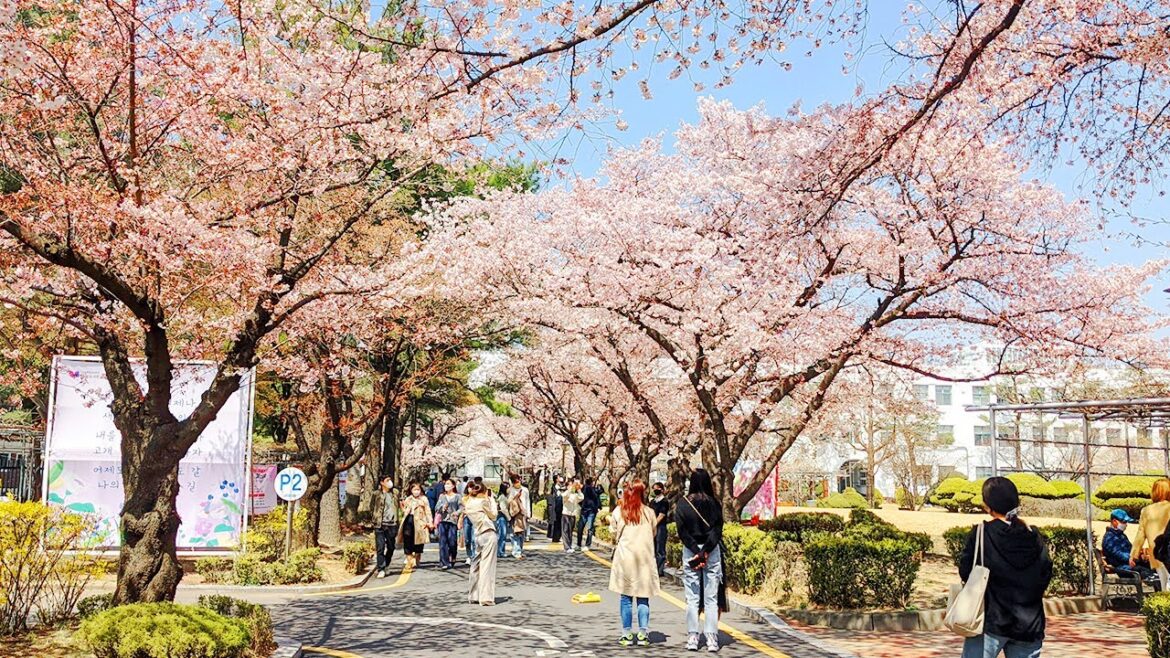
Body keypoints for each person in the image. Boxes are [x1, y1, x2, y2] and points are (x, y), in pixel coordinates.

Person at [958, 476, 1053, 658]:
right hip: (1030, 624)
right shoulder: (1033, 535)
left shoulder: (981, 533)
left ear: (988, 506)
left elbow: (966, 572)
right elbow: (1045, 574)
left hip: (991, 621)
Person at [674, 469, 724, 652]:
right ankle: (712, 638)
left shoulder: (683, 504)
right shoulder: (715, 503)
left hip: (691, 552)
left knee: (692, 597)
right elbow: (717, 531)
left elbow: (682, 532)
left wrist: (696, 551)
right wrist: (705, 551)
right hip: (711, 552)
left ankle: (693, 637)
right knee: (711, 599)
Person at [608, 480, 660, 647]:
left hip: (625, 559)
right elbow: (653, 533)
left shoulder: (620, 511)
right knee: (643, 598)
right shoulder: (650, 513)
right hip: (644, 559)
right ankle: (643, 634)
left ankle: (627, 634)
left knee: (626, 598)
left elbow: (613, 531)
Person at [464, 480, 499, 605]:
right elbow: (494, 515)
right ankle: (486, 597)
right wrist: (492, 500)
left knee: (476, 564)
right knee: (487, 566)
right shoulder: (483, 502)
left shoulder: (468, 503)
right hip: (488, 533)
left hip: (478, 534)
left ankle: (473, 595)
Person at [1132, 478, 1170, 591]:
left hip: (1157, 552)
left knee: (1164, 582)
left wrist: (1134, 554)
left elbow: (1140, 534)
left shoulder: (1146, 511)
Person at [1104, 508, 1158, 583]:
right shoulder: (1109, 538)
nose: (1126, 524)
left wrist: (1139, 554)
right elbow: (1118, 554)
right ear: (1114, 522)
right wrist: (1132, 557)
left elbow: (1131, 549)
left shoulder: (1122, 536)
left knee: (1154, 565)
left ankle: (1161, 589)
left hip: (1130, 564)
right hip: (1122, 568)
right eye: (1124, 522)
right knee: (1143, 570)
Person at [370, 475, 398, 578]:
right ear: (382, 483)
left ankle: (387, 563)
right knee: (380, 547)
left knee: (391, 547)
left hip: (392, 524)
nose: (390, 482)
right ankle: (381, 568)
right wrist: (374, 518)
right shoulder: (376, 494)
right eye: (387, 480)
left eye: (390, 480)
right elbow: (371, 506)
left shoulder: (395, 493)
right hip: (380, 524)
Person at [400, 482, 432, 569]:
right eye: (414, 490)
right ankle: (409, 560)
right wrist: (403, 508)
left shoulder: (424, 499)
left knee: (419, 542)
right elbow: (405, 510)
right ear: (411, 490)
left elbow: (428, 511)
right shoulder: (408, 499)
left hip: (420, 522)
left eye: (418, 490)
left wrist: (430, 522)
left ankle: (417, 559)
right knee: (407, 540)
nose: (416, 491)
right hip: (409, 521)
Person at [436, 478, 462, 569]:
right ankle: (444, 562)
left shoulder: (457, 496)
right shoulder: (442, 496)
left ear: (453, 486)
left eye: (448, 484)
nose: (446, 486)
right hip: (443, 521)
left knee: (452, 541)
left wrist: (457, 513)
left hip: (453, 521)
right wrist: (442, 508)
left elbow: (461, 507)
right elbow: (437, 508)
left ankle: (452, 556)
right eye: (445, 484)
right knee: (443, 542)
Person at [650, 482, 670, 577]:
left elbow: (661, 515)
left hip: (660, 527)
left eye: (657, 488)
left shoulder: (664, 502)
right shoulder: (652, 502)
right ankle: (653, 568)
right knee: (653, 548)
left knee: (660, 548)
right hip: (652, 527)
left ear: (662, 489)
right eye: (653, 488)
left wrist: (654, 524)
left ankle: (660, 569)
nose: (655, 490)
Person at [509, 475, 530, 559]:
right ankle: (516, 551)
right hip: (514, 514)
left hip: (523, 514)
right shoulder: (511, 491)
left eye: (518, 481)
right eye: (516, 482)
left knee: (522, 533)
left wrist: (528, 513)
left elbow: (527, 501)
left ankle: (519, 550)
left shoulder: (525, 490)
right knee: (515, 533)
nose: (518, 483)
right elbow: (509, 502)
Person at [578, 477, 602, 549]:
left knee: (581, 528)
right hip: (590, 510)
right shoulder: (591, 489)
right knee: (589, 528)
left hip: (585, 510)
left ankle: (579, 544)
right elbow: (599, 493)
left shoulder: (584, 488)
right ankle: (587, 545)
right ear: (592, 482)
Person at [562, 478, 584, 552]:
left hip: (572, 515)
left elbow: (581, 497)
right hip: (565, 514)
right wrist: (571, 487)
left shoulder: (574, 495)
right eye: (570, 485)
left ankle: (570, 545)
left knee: (570, 531)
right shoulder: (565, 494)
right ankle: (566, 547)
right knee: (565, 530)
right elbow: (565, 495)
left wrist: (578, 489)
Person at [462, 478, 479, 566]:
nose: (471, 489)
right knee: (467, 539)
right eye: (470, 487)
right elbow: (463, 509)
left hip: (475, 519)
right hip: (466, 519)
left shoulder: (478, 498)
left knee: (474, 539)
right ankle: (469, 555)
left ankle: (474, 556)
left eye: (473, 487)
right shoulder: (464, 498)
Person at [496, 482, 512, 558]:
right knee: (502, 534)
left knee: (502, 534)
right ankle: (500, 551)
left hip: (502, 517)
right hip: (501, 518)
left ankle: (501, 551)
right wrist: (509, 518)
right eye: (508, 487)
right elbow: (503, 509)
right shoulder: (502, 497)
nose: (509, 489)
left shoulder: (504, 496)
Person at [548, 476, 566, 542]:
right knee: (555, 522)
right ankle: (555, 537)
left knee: (559, 522)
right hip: (555, 507)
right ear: (556, 480)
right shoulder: (554, 488)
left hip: (561, 507)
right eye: (559, 478)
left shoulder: (562, 487)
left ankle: (558, 536)